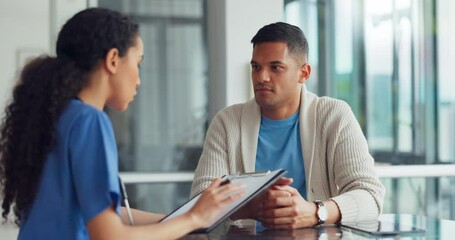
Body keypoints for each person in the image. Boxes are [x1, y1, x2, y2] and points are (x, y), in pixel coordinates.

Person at [0, 8, 244, 240]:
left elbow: (105, 214)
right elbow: (109, 234)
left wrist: (182, 219)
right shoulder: (90, 121)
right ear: (113, 59)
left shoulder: (54, 116)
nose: (138, 80)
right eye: (137, 63)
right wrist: (193, 218)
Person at [191, 22, 385, 229]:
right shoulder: (227, 122)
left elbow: (370, 196)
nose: (261, 77)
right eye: (256, 67)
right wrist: (251, 208)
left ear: (304, 73)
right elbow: (200, 200)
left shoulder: (334, 115)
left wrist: (315, 211)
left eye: (276, 67)